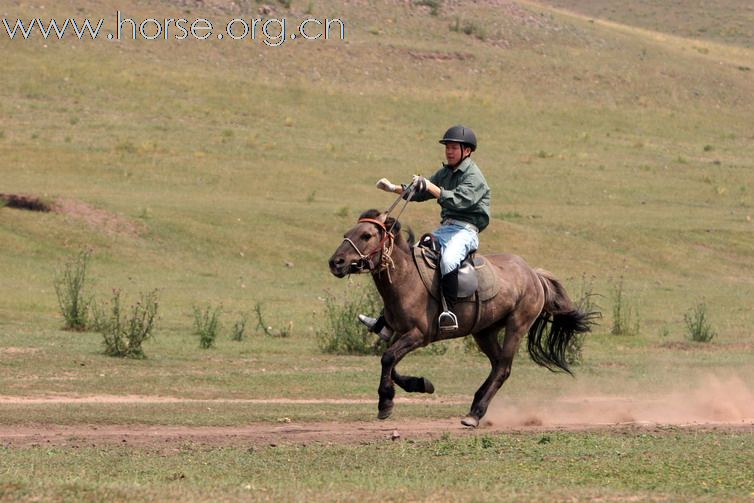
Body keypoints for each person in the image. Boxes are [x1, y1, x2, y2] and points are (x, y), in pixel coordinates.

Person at [359, 125, 491, 337]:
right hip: (447, 229)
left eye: (454, 147)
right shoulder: (445, 172)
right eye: (447, 147)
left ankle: (448, 313)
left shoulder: (474, 177)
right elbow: (420, 193)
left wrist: (430, 186)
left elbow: (458, 201)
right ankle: (387, 321)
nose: (449, 151)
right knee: (414, 257)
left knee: (448, 260)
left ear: (467, 151)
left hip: (466, 231)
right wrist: (393, 188)